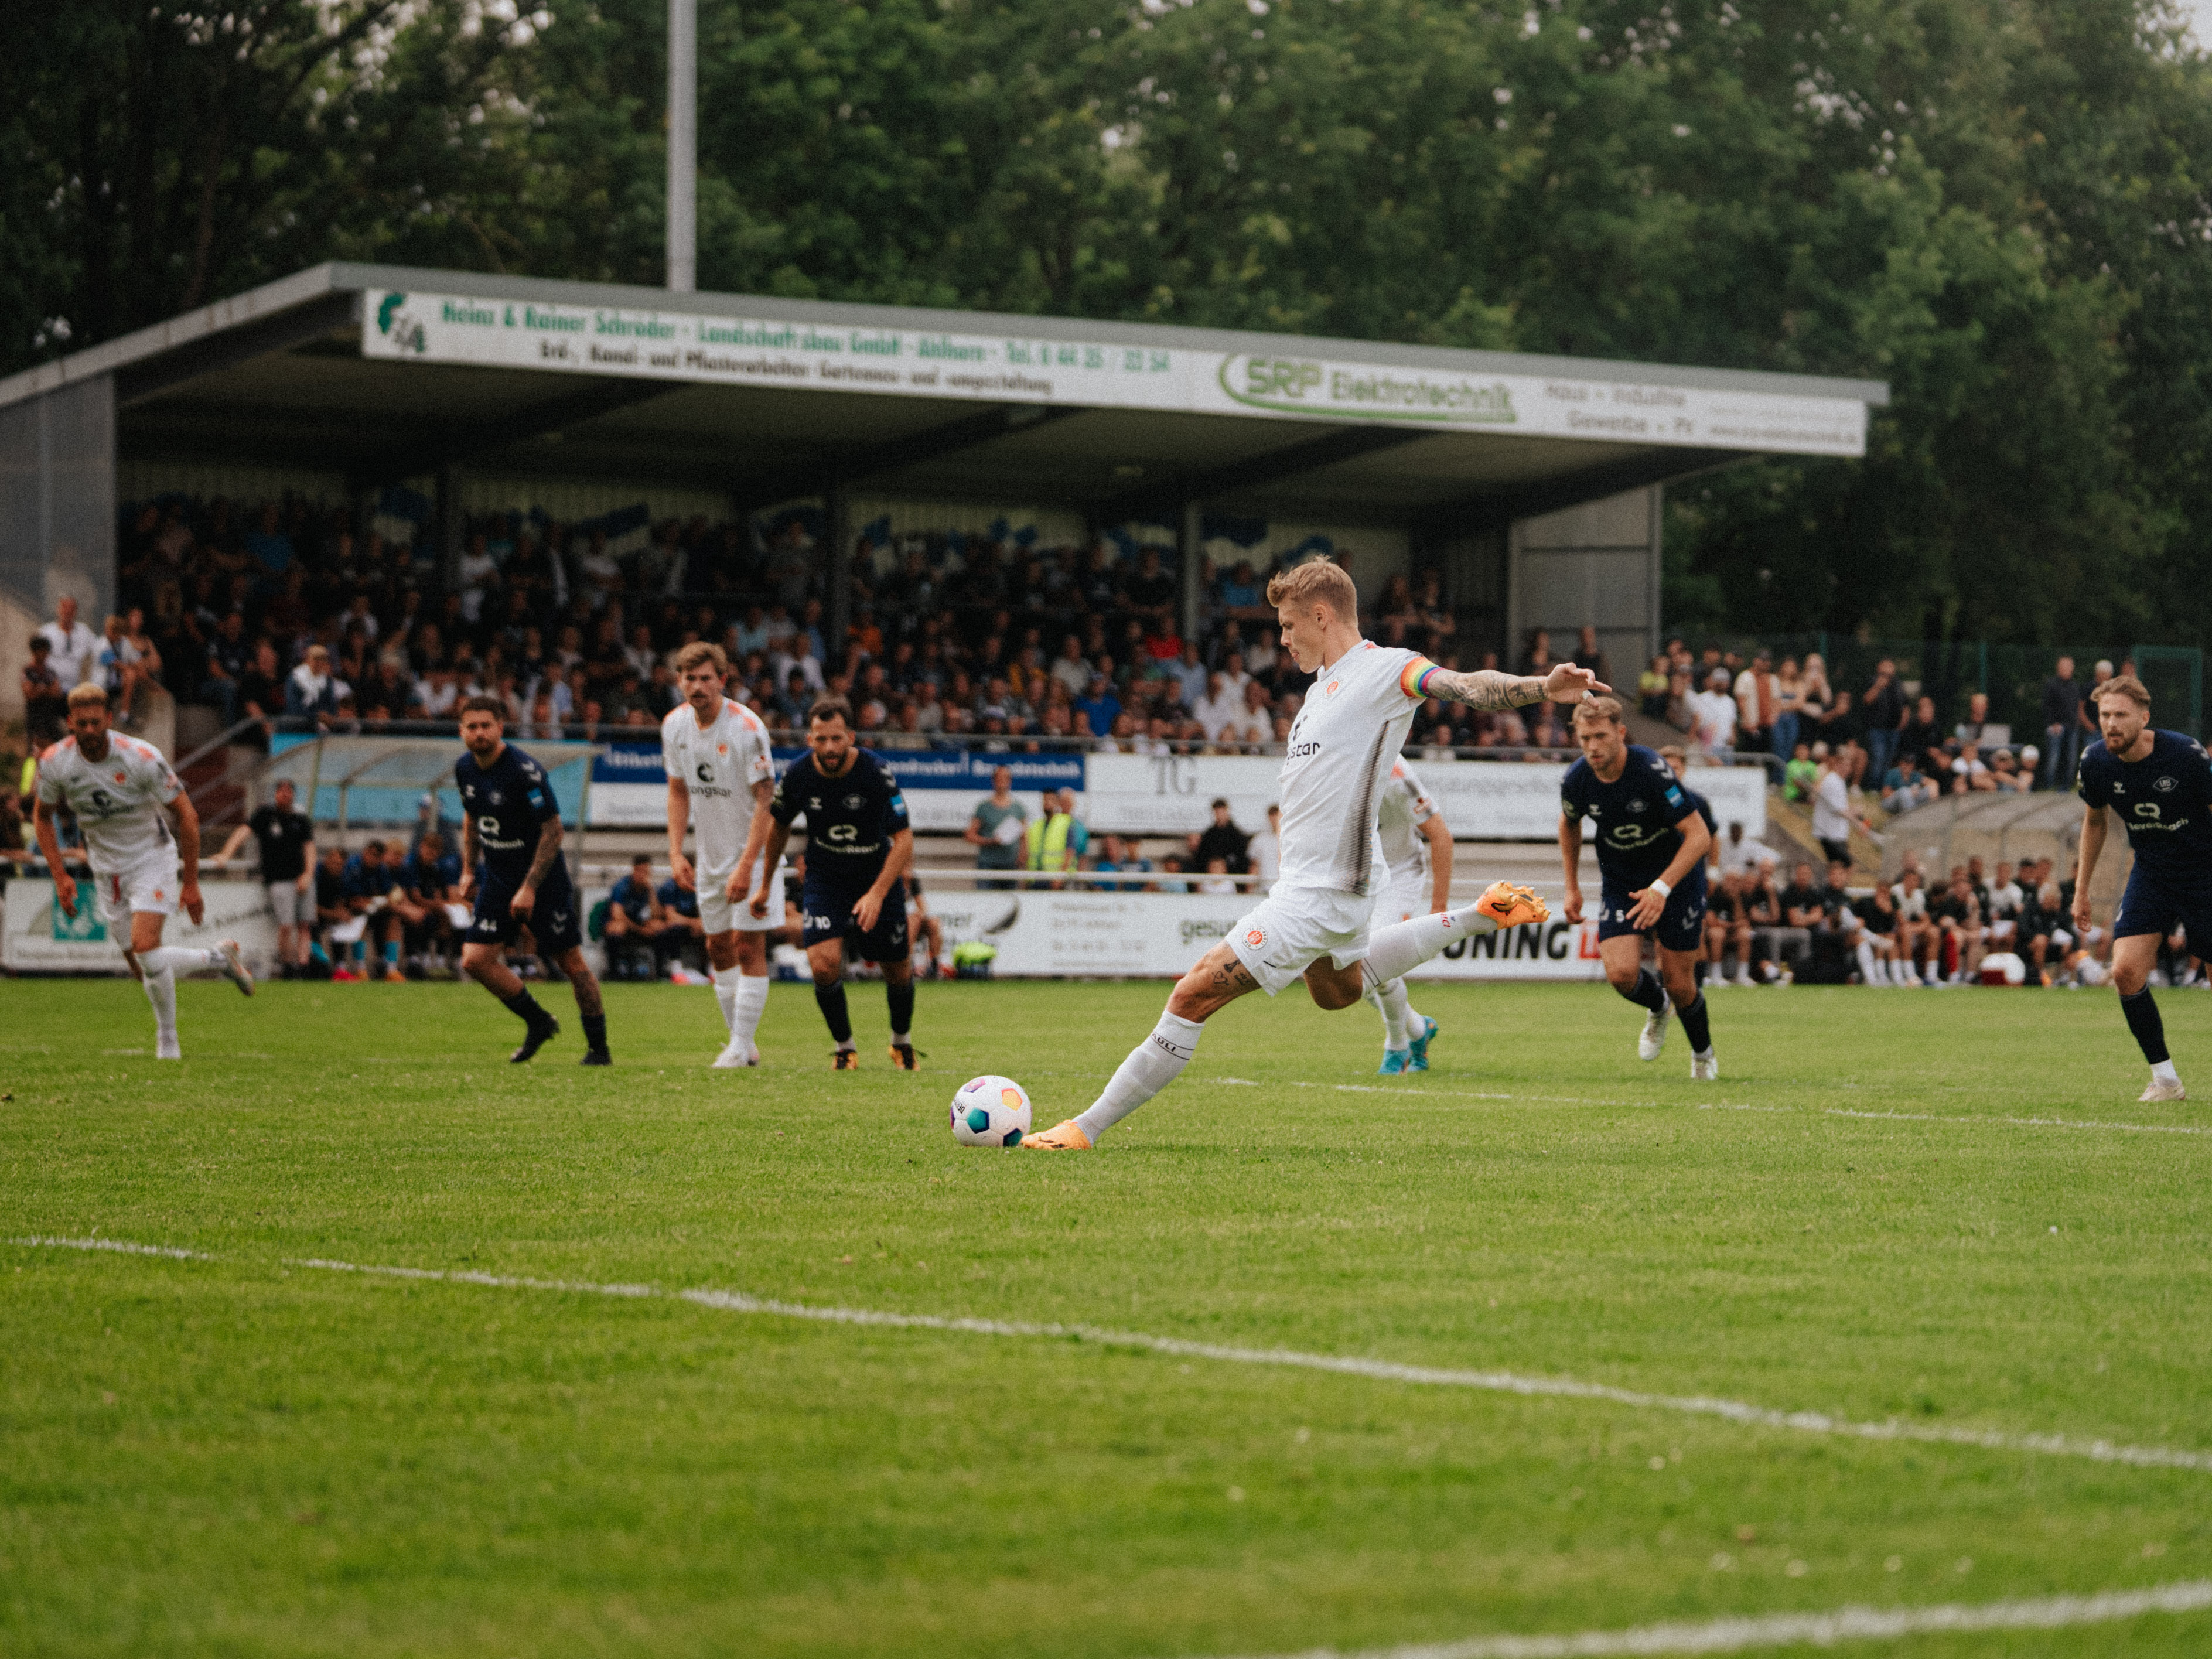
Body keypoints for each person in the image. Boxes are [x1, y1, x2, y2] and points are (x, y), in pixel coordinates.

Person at [1022, 560, 1581, 1150]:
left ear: (1321, 615)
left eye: (1288, 626)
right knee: (1334, 994)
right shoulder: (1319, 691)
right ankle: (1477, 916)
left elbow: (1464, 685)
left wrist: (1542, 688)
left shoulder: (1384, 669)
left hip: (1318, 895)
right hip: (1327, 889)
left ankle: (1082, 1130)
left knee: (1191, 994)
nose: (1282, 640)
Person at [30, 684, 254, 1058]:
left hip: (151, 857)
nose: (89, 731)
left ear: (109, 720)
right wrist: (60, 874)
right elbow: (42, 818)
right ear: (70, 723)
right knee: (143, 968)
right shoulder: (55, 762)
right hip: (105, 868)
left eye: (95, 723)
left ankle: (168, 1042)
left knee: (148, 949)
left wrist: (192, 883)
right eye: (81, 724)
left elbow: (188, 815)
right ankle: (219, 959)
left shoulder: (141, 757)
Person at [752, 697, 919, 1069]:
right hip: (826, 878)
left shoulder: (875, 771)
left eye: (837, 738)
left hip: (875, 875)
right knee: (824, 965)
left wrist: (876, 894)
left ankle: (901, 1042)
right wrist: (765, 885)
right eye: (821, 739)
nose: (829, 747)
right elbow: (778, 827)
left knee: (897, 966)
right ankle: (846, 1048)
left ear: (852, 737)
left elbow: (904, 838)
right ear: (810, 739)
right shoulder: (796, 775)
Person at [2072, 674, 2212, 1100]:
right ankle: (2166, 1080)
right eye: (2104, 715)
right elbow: (2094, 822)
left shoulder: (2185, 754)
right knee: (2126, 971)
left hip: (2203, 872)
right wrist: (2082, 890)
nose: (2110, 724)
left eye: (2120, 715)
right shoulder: (2095, 762)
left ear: (2144, 718)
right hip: (2151, 872)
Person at [1561, 696, 1718, 1074]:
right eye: (1585, 739)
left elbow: (1699, 837)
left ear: (1621, 732)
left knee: (1681, 983)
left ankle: (1702, 1055)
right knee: (1621, 975)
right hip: (1621, 880)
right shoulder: (1576, 779)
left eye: (1600, 736)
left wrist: (1661, 888)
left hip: (1675, 880)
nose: (1593, 747)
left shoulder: (1652, 770)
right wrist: (1572, 886)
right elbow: (1569, 825)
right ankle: (1658, 1007)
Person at [453, 695, 610, 1064]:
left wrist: (529, 888)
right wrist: (467, 868)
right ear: (461, 731)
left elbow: (554, 831)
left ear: (500, 727)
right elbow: (472, 818)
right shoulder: (465, 769)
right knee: (475, 960)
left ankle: (599, 1050)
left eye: (485, 726)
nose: (479, 733)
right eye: (471, 727)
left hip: (543, 882)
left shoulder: (524, 771)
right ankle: (539, 1022)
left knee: (571, 965)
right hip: (497, 878)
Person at [662, 642, 781, 1067]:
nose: (697, 686)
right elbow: (677, 792)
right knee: (717, 948)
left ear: (722, 681)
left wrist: (748, 866)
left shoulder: (747, 728)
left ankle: (738, 1047)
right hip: (709, 859)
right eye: (689, 678)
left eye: (706, 678)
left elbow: (767, 800)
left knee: (749, 947)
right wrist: (676, 853)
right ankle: (742, 1044)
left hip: (753, 857)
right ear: (680, 682)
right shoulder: (674, 726)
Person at [1368, 759, 1452, 1073]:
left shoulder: (1394, 776)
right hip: (1356, 877)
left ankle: (1397, 1046)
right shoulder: (1327, 761)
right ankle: (1419, 1029)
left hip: (1398, 874)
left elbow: (1441, 835)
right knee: (1348, 974)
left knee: (1374, 960)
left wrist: (1438, 910)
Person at [216, 778, 315, 977]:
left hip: (302, 879)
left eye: (289, 791)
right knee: (286, 925)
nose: (285, 794)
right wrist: (226, 854)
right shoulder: (265, 815)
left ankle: (303, 966)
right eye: (281, 791)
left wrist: (308, 874)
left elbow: (309, 848)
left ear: (294, 795)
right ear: (276, 794)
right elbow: (243, 832)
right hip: (279, 879)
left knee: (305, 924)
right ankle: (287, 965)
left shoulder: (301, 819)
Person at [965, 765, 1026, 890]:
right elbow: (970, 835)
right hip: (988, 863)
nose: (1002, 781)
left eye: (1006, 778)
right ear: (993, 780)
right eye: (999, 778)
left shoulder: (1018, 808)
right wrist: (990, 841)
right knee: (985, 901)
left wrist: (1023, 856)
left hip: (1010, 864)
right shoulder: (984, 807)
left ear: (1010, 781)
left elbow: (1024, 836)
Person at [1811, 746, 1869, 868]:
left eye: (1848, 767)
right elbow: (1839, 811)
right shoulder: (1833, 782)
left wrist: (1855, 811)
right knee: (1844, 867)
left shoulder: (1839, 782)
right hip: (1830, 834)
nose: (1846, 769)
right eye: (1843, 766)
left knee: (1843, 867)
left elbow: (1841, 807)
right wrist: (1859, 824)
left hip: (1837, 834)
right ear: (1837, 765)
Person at [36, 595, 100, 691]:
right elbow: (36, 659)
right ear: (58, 609)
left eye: (71, 608)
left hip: (74, 688)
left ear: (76, 612)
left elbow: (100, 648)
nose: (68, 611)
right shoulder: (45, 632)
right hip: (50, 688)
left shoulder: (84, 632)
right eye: (64, 607)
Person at [2042, 657, 2085, 790]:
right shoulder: (2051, 684)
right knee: (2053, 758)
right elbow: (2046, 706)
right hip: (2056, 727)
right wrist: (2052, 723)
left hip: (2072, 727)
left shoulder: (2075, 686)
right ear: (2058, 668)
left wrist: (2077, 721)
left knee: (2072, 758)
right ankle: (2049, 786)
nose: (2067, 670)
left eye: (2069, 667)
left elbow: (2077, 706)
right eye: (2064, 667)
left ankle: (2066, 787)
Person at [1193, 797, 1251, 875]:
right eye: (1217, 813)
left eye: (1222, 812)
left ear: (1227, 812)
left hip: (1232, 878)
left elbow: (1243, 860)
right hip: (1211, 878)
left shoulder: (1238, 836)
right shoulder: (1208, 835)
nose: (1220, 815)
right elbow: (1202, 859)